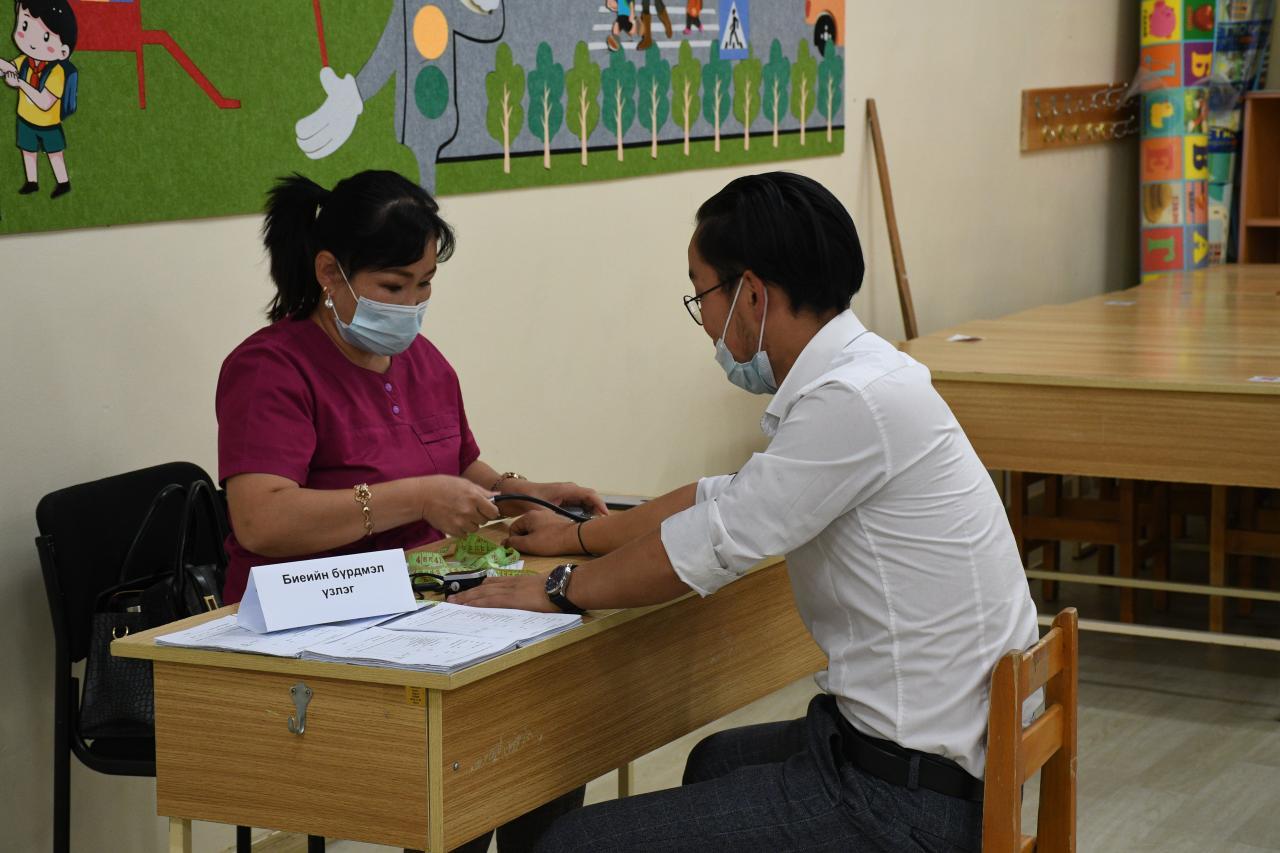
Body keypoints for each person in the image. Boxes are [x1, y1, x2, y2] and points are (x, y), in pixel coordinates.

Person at [453, 172, 1040, 852]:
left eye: (702, 293)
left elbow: (709, 542)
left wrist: (558, 588)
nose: (704, 320)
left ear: (753, 294)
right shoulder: (870, 372)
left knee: (571, 844)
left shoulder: (850, 401)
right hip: (940, 758)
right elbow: (725, 496)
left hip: (906, 802)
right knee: (717, 762)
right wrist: (578, 536)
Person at [216, 169, 602, 852]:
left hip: (421, 606)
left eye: (425, 285)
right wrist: (416, 498)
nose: (413, 305)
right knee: (475, 750)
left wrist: (522, 491)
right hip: (314, 625)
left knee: (549, 714)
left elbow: (459, 462)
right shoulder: (270, 369)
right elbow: (261, 520)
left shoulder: (423, 362)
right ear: (330, 273)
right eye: (394, 287)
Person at [2, 0, 77, 197]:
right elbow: (9, 68)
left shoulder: (56, 72)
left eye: (45, 37)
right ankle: (31, 182)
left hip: (48, 124)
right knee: (27, 151)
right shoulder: (24, 61)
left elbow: (45, 102)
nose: (31, 40)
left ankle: (63, 183)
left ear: (63, 51)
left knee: (54, 154)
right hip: (25, 119)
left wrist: (20, 84)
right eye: (25, 25)